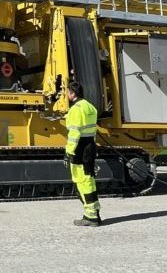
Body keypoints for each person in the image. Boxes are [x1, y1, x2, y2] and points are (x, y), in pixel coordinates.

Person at [65, 80, 100, 226]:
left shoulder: (75, 109)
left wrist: (69, 152)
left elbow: (74, 133)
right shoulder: (91, 107)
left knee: (82, 182)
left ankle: (90, 217)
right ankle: (95, 213)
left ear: (72, 93)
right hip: (90, 146)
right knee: (89, 180)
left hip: (79, 149)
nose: (66, 95)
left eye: (67, 92)